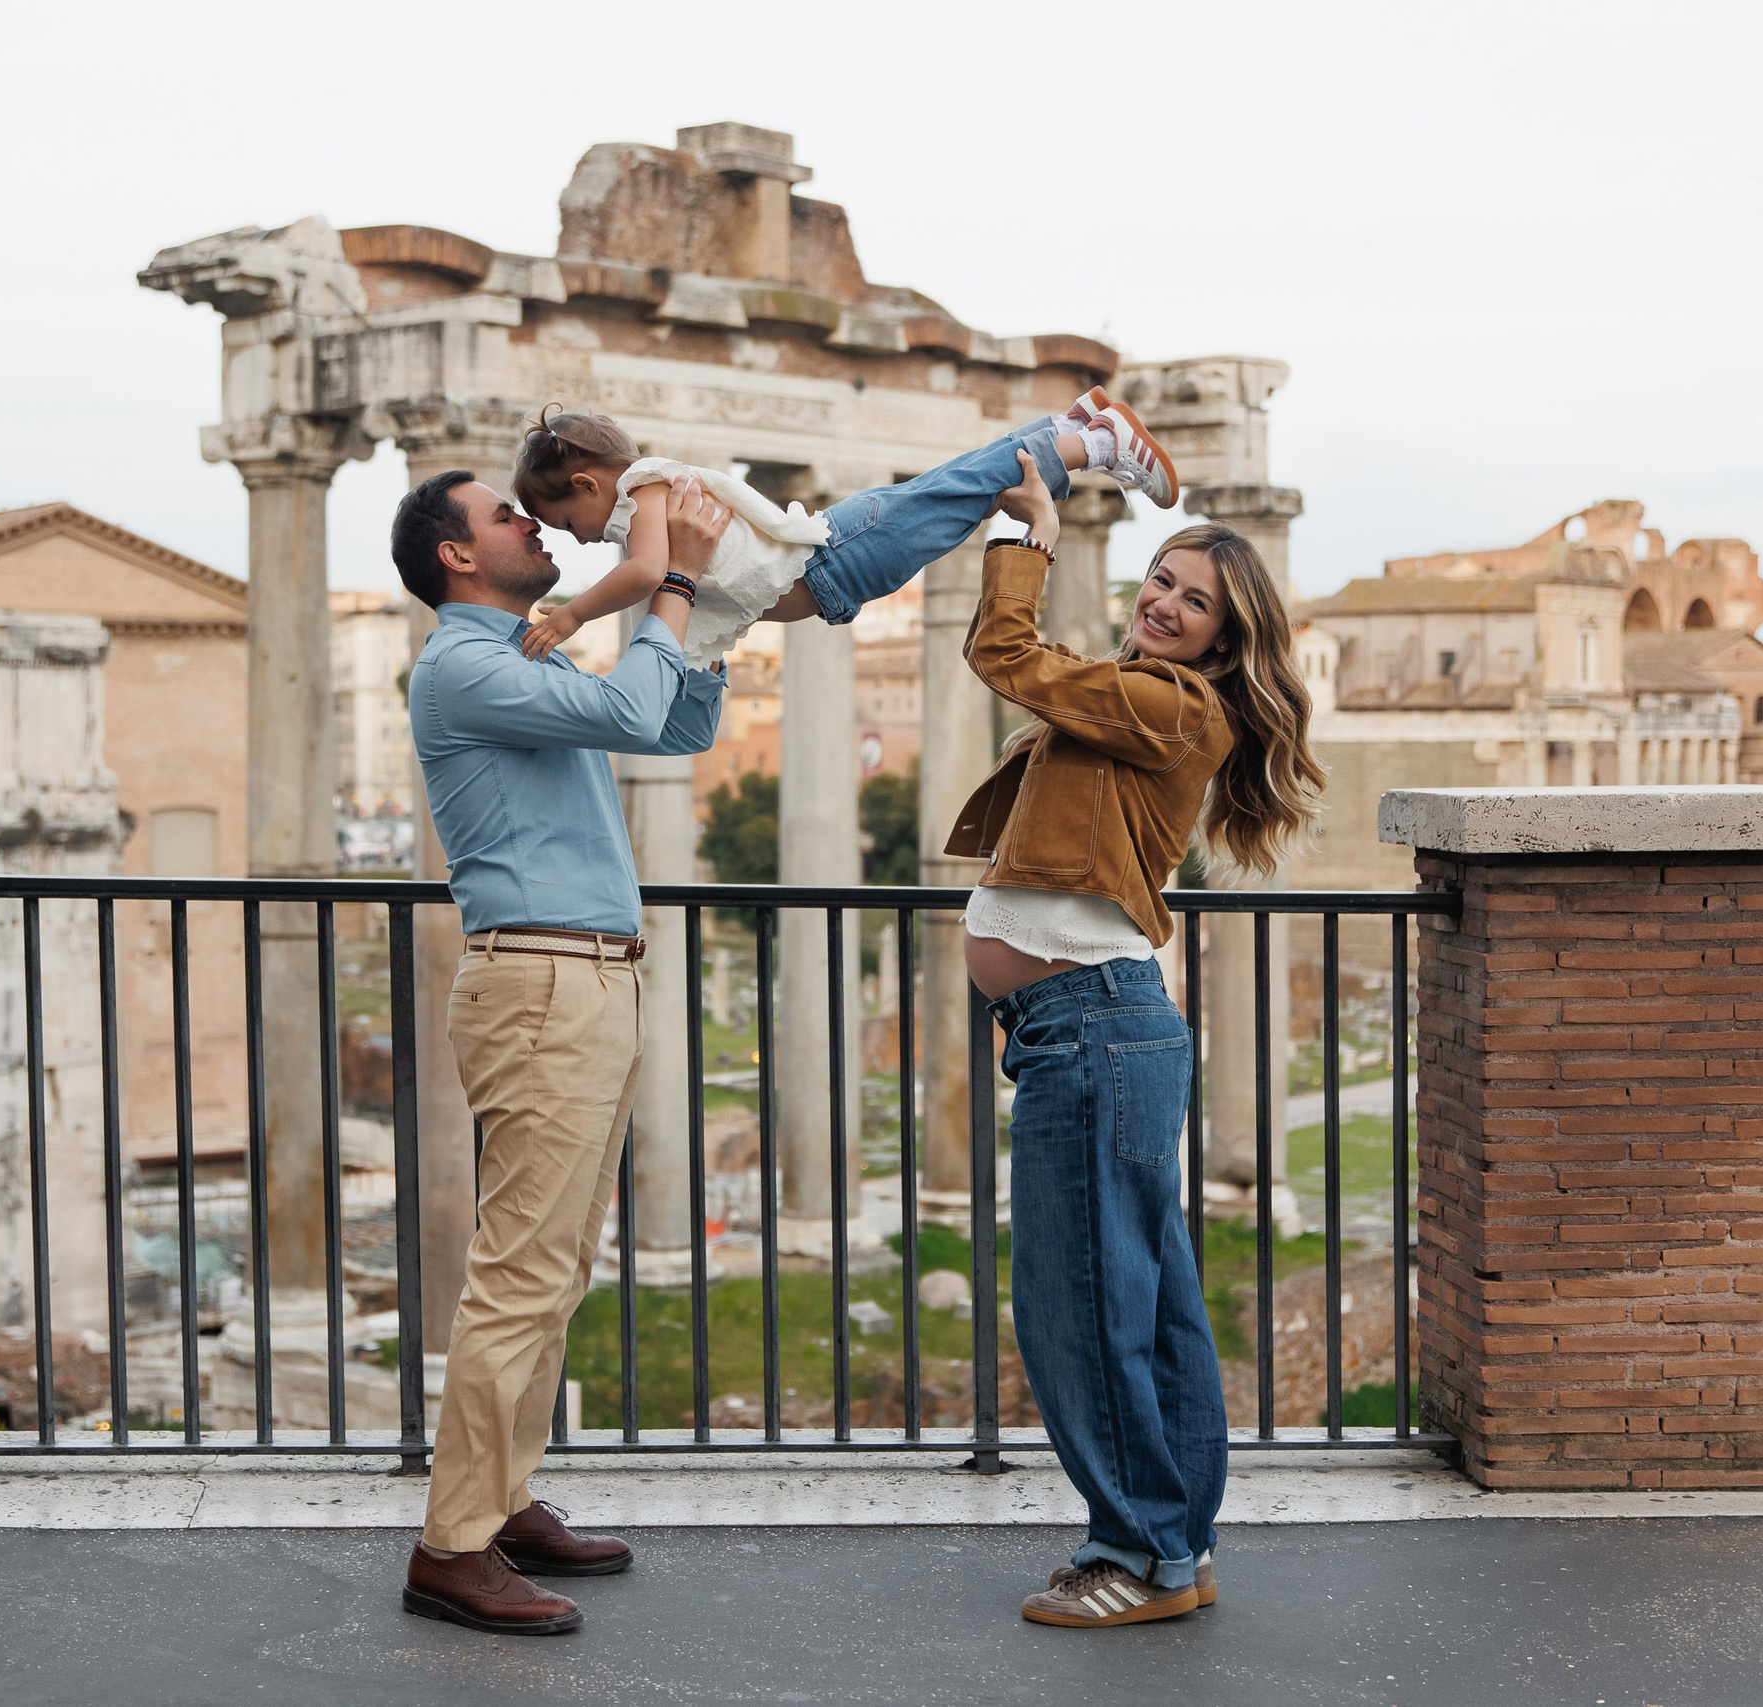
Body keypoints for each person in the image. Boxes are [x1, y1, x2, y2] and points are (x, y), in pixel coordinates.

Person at [949, 451, 1323, 1629]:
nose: (1159, 600)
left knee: (1082, 1312)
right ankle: (1174, 1545)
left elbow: (1003, 656)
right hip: (1088, 1035)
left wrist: (1030, 534)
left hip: (1092, 1034)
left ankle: (1141, 1554)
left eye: (1190, 599)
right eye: (1157, 580)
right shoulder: (1139, 690)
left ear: (1224, 640)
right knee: (1148, 1311)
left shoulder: (1173, 705)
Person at [390, 464, 732, 1636]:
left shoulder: (525, 654)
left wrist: (707, 611)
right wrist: (669, 578)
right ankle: (450, 1548)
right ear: (456, 555)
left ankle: (502, 1498)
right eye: (504, 515)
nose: (533, 524)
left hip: (583, 980)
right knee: (520, 1274)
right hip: (541, 982)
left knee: (554, 1269)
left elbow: (677, 721)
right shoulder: (464, 662)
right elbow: (638, 713)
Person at [509, 387, 1179, 667]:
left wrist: (572, 618)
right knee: (959, 487)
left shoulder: (642, 496)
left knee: (965, 494)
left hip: (837, 559)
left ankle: (1092, 444)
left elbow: (650, 575)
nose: (576, 538)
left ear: (588, 484)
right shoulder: (643, 500)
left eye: (567, 521)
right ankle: (1072, 427)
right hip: (837, 561)